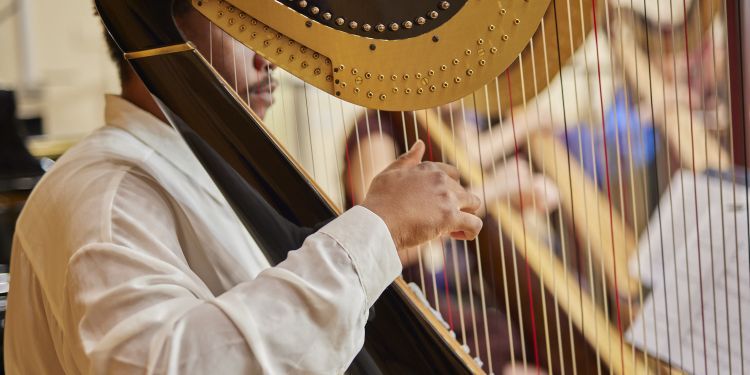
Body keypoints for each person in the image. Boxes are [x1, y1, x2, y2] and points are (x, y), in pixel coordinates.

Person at [3, 4, 484, 374]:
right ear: (162, 28)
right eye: (240, 23)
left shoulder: (201, 167)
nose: (267, 56)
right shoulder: (107, 190)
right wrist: (380, 228)